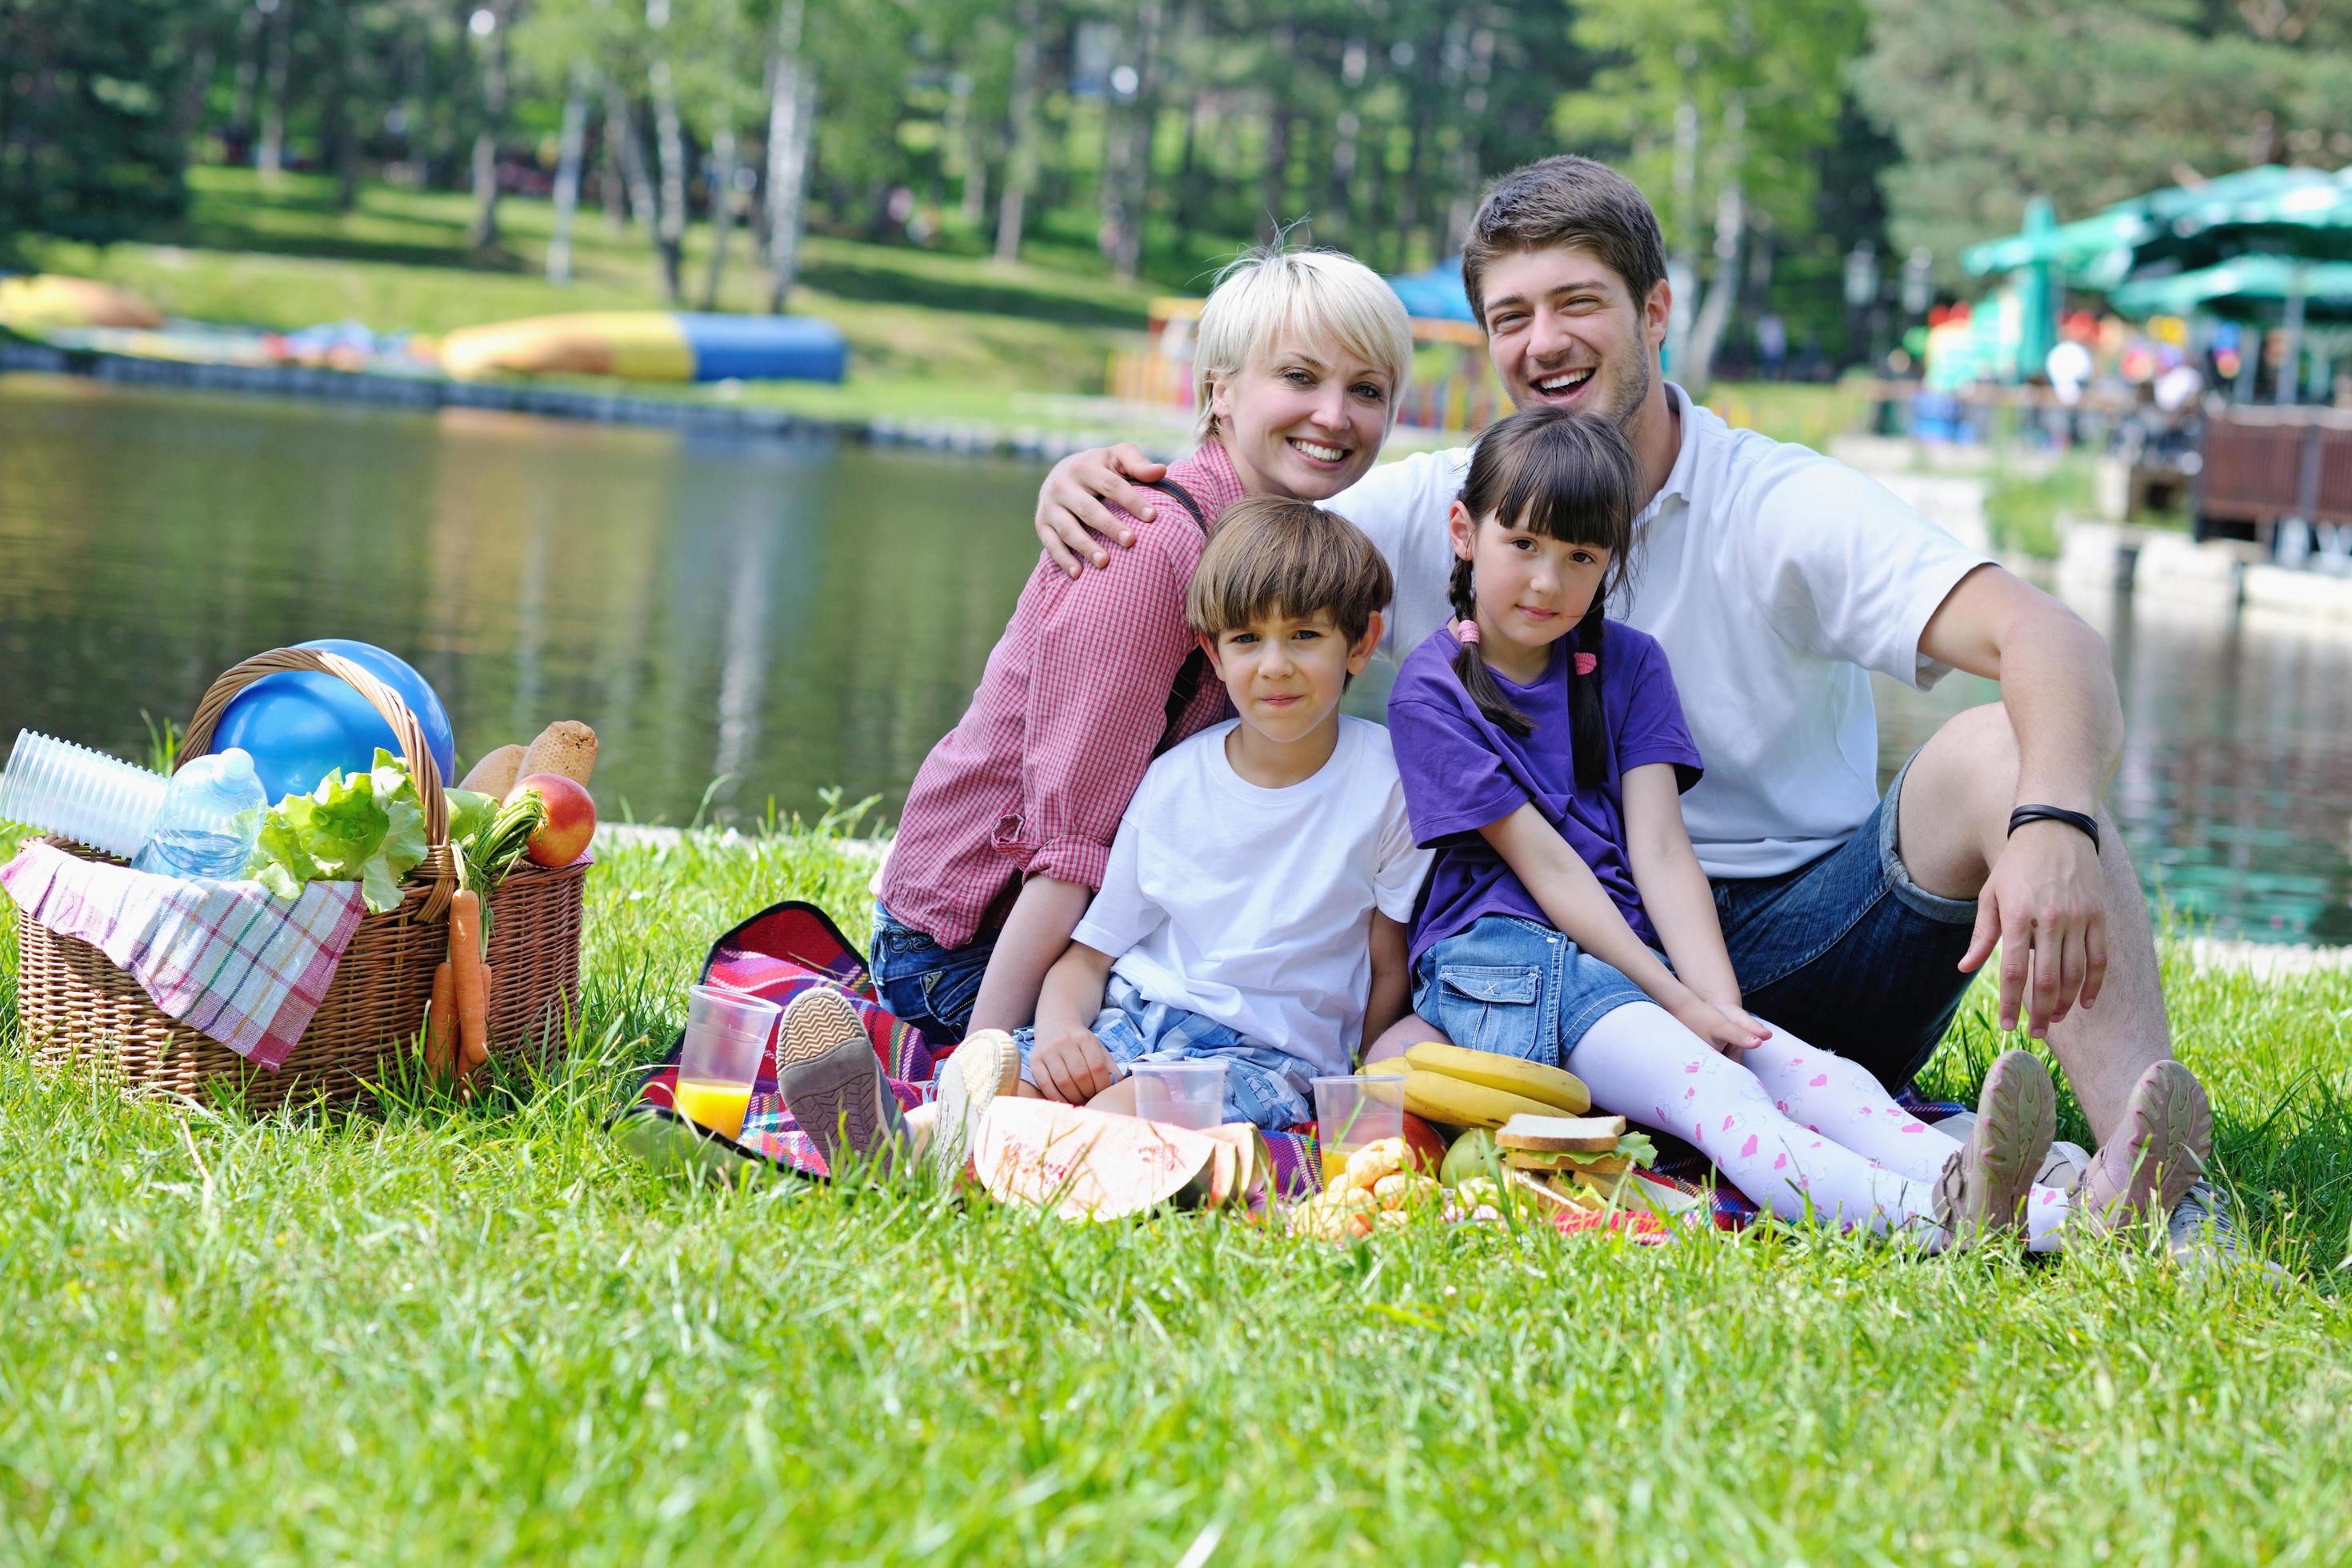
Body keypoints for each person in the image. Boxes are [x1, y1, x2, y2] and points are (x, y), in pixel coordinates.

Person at [1030, 154, 2242, 1260]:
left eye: (1578, 304)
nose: (1543, 343)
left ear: (1655, 313)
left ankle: (2167, 1199)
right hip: (1561, 960)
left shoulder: (1776, 502)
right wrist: (1103, 484)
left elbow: (2048, 635)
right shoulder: (1461, 505)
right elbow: (1249, 572)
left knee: (2002, 752)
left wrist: (2057, 821)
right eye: (1512, 317)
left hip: (1803, 943)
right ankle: (1992, 1200)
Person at [1387, 406, 2204, 1243]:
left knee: (1815, 1073)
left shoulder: (1628, 664)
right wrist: (1678, 998)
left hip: (1615, 961)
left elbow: (1663, 851)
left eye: (1580, 558)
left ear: (1611, 562)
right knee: (1721, 1097)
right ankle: (1991, 1225)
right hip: (1506, 967)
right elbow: (1550, 870)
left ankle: (2077, 1200)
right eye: (1522, 545)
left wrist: (1726, 1010)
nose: (1547, 583)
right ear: (1464, 530)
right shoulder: (1434, 690)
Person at [865, 245, 1415, 1058]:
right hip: (973, 945)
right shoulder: (1143, 547)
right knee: (1199, 1048)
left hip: (1096, 923)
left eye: (1366, 390)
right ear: (1219, 388)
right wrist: (984, 1062)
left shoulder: (1285, 548)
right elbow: (1067, 851)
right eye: (1300, 378)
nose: (1335, 415)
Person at [1014, 498, 1430, 1129]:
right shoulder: (1175, 780)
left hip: (1265, 1055)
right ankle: (901, 1134)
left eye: (1305, 635)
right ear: (1214, 654)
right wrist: (1059, 1032)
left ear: (1361, 642)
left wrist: (1358, 1088)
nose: (1274, 665)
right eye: (1246, 639)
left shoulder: (1389, 784)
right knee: (1007, 1090)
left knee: (1113, 1120)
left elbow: (1386, 963)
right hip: (1133, 1018)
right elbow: (1089, 958)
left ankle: (1028, 1153)